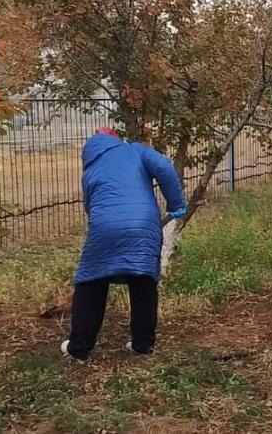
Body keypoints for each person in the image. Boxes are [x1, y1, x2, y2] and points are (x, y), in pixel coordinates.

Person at [61, 127, 187, 360]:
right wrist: (176, 204)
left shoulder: (90, 170)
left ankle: (79, 348)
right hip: (143, 224)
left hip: (104, 227)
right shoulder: (136, 151)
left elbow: (90, 206)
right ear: (116, 141)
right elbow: (164, 167)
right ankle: (142, 345)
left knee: (91, 282)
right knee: (143, 280)